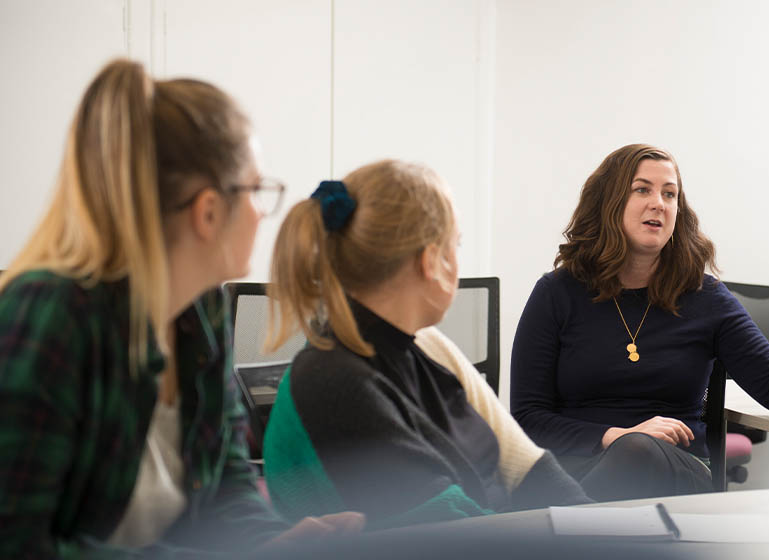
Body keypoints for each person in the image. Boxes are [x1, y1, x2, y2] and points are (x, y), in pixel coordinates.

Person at [0, 59, 364, 558]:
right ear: (209, 211)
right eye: (256, 190)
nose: (263, 212)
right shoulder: (50, 315)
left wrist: (272, 542)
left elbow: (228, 483)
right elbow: (16, 543)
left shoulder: (204, 311)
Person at [510, 143, 769, 501]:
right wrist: (615, 434)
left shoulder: (704, 298)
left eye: (670, 194)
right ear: (608, 203)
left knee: (637, 454)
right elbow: (528, 417)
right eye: (642, 189)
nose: (660, 203)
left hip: (673, 467)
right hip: (576, 465)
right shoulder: (557, 293)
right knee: (616, 455)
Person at [262, 160, 590, 529]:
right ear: (431, 260)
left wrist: (603, 527)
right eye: (457, 245)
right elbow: (454, 533)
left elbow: (527, 465)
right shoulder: (331, 379)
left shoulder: (425, 343)